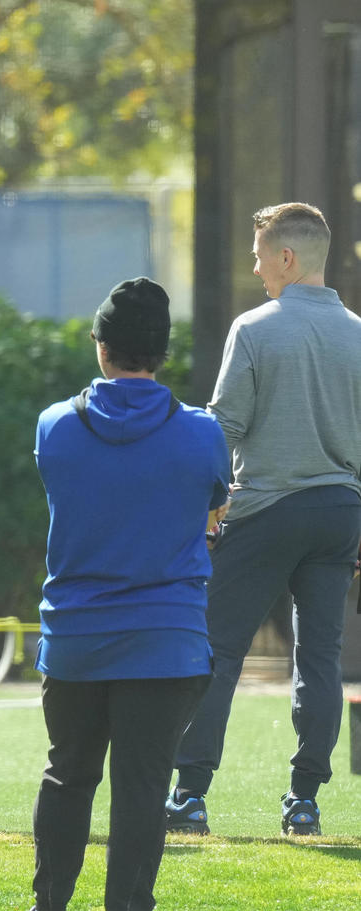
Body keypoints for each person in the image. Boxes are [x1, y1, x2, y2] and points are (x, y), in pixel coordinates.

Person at [24, 278, 230, 911]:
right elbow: (215, 505)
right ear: (162, 353)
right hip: (167, 640)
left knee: (67, 776)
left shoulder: (55, 426)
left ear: (101, 347)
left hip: (76, 638)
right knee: (142, 790)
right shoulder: (202, 433)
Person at [167, 202, 361, 837]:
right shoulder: (358, 333)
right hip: (340, 514)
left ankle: (190, 795)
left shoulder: (253, 328)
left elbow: (224, 425)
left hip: (267, 510)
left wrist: (204, 505)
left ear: (287, 257)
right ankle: (304, 802)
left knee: (217, 650)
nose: (254, 269)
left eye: (259, 256)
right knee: (321, 659)